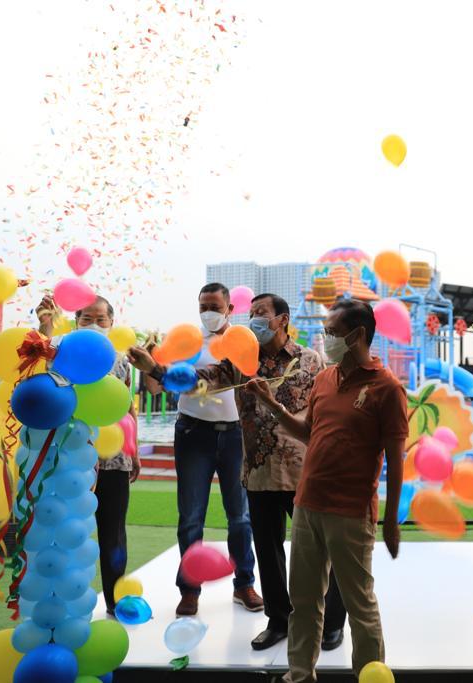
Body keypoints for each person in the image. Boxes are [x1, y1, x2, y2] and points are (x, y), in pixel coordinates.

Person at [133, 294, 348, 651]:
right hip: (258, 472)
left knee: (322, 550)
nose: (254, 320)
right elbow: (200, 382)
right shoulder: (239, 362)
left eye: (261, 313)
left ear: (283, 319)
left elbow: (326, 414)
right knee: (267, 550)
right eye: (251, 314)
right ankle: (279, 620)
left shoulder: (311, 361)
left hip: (304, 473)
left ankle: (332, 623)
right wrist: (154, 369)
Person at [246, 299, 407, 683]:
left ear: (358, 335)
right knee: (302, 600)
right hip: (307, 504)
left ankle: (370, 675)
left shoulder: (387, 389)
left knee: (359, 604)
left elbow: (396, 460)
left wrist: (390, 521)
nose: (326, 337)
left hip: (351, 511)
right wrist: (272, 404)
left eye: (333, 331)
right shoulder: (324, 379)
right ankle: (299, 673)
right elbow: (307, 431)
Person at [130, 283, 260, 616]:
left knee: (240, 516)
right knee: (190, 517)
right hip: (192, 432)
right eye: (203, 306)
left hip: (234, 436)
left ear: (230, 309)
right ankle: (189, 589)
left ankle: (244, 583)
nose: (209, 312)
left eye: (215, 306)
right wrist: (152, 363)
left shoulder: (241, 341)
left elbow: (233, 377)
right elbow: (156, 385)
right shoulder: (186, 340)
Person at [37, 294, 140, 617]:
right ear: (76, 321)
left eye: (101, 319)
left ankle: (115, 599)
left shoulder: (120, 360)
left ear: (112, 323)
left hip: (113, 458)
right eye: (86, 319)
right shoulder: (61, 354)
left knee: (113, 532)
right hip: (71, 458)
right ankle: (63, 604)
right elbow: (41, 380)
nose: (94, 325)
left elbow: (126, 407)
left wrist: (133, 452)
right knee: (66, 532)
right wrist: (44, 326)